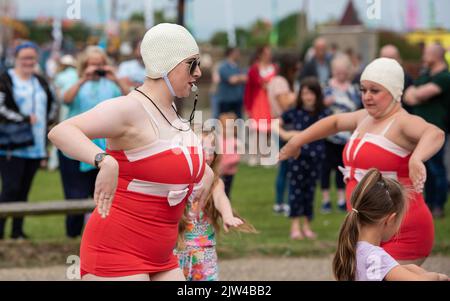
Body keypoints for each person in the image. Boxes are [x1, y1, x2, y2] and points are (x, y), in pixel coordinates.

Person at [49, 23, 214, 280]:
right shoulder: (129, 108)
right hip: (116, 252)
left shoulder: (171, 112)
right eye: (192, 64)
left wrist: (206, 172)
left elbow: (171, 159)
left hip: (162, 255)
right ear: (167, 64)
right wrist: (105, 161)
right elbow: (61, 131)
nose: (199, 72)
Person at [280, 58, 445, 265]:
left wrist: (417, 158)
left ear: (394, 92)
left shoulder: (402, 122)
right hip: (366, 228)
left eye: (375, 91)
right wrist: (297, 141)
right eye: (363, 89)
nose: (367, 97)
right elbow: (335, 122)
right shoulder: (364, 118)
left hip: (401, 229)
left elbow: (435, 133)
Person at [58, 46, 128, 238]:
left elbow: (129, 99)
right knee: (75, 195)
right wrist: (83, 79)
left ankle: (101, 236)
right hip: (76, 147)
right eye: (92, 64)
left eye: (100, 64)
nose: (97, 67)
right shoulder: (75, 81)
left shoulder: (112, 85)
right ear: (84, 65)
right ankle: (72, 236)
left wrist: (115, 78)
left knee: (104, 193)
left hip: (105, 148)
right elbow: (65, 100)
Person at [333, 168, 449, 281]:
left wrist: (404, 268)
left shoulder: (351, 248)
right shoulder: (377, 257)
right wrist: (436, 276)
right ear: (391, 219)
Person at [177, 130, 256, 281]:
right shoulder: (177, 181)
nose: (207, 155)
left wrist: (227, 215)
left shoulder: (215, 182)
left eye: (211, 151)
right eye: (201, 149)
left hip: (204, 251)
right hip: (177, 250)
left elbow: (221, 198)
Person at [0, 41, 57, 240]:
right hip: (11, 146)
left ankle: (17, 232)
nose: (28, 62)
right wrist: (23, 118)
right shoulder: (6, 79)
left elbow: (52, 105)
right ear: (15, 58)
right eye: (24, 57)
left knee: (24, 191)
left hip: (36, 146)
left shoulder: (40, 82)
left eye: (32, 58)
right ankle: (1, 231)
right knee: (10, 189)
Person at [278, 77, 329, 240]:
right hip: (297, 157)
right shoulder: (293, 113)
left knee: (310, 191)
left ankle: (307, 225)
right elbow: (275, 123)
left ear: (317, 95)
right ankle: (295, 226)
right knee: (296, 190)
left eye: (311, 93)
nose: (308, 97)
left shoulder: (323, 114)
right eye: (305, 93)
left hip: (316, 158)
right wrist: (286, 134)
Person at [404, 44, 450, 219]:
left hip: (436, 130)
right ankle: (428, 203)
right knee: (425, 168)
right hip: (420, 131)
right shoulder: (425, 76)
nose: (424, 56)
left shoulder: (445, 77)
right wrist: (416, 94)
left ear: (436, 56)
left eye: (427, 53)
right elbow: (408, 95)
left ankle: (438, 204)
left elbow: (420, 95)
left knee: (436, 168)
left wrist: (417, 95)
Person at [321, 54, 361, 214]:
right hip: (328, 135)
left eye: (344, 71)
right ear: (333, 71)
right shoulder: (326, 87)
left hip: (347, 137)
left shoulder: (354, 89)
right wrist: (325, 103)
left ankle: (341, 198)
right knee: (325, 168)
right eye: (338, 71)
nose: (341, 74)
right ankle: (325, 200)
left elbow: (357, 108)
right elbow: (318, 108)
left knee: (343, 168)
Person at [267, 54, 298, 214]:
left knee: (285, 166)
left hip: (280, 124)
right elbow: (285, 104)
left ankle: (282, 201)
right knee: (286, 166)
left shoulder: (278, 81)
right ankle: (281, 202)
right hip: (283, 125)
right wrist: (298, 95)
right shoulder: (280, 82)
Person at [244, 45, 276, 165]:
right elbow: (248, 89)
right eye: (266, 53)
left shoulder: (274, 68)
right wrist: (247, 106)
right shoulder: (254, 69)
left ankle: (264, 155)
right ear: (261, 55)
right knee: (255, 130)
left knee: (268, 130)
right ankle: (253, 156)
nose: (269, 56)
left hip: (270, 102)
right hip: (257, 102)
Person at [379, 44, 414, 113]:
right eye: (385, 58)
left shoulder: (406, 78)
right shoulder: (371, 77)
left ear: (399, 59)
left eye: (392, 58)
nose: (388, 62)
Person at [216, 47, 247, 119]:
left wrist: (238, 78)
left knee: (238, 124)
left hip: (238, 100)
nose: (239, 54)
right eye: (236, 52)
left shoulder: (239, 66)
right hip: (227, 101)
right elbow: (232, 80)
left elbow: (246, 78)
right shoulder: (223, 67)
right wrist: (240, 78)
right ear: (231, 53)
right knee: (225, 125)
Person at [218, 112, 241, 199]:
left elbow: (236, 157)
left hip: (228, 172)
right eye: (223, 127)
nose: (225, 130)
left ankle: (226, 208)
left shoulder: (234, 141)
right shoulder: (217, 139)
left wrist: (225, 164)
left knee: (226, 192)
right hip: (217, 172)